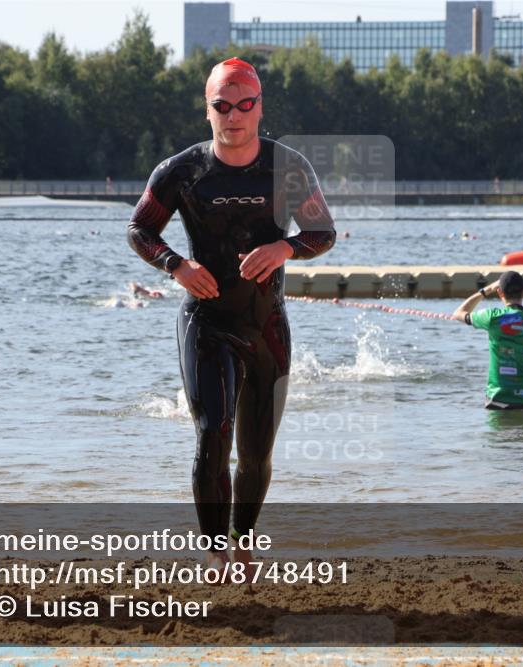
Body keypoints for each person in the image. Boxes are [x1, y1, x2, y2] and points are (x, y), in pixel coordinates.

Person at [127, 57, 336, 573]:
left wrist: (286, 249)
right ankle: (216, 551)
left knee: (257, 451)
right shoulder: (183, 170)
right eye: (223, 106)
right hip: (206, 322)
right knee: (213, 432)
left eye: (245, 104)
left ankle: (243, 540)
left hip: (267, 324)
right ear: (209, 110)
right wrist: (176, 265)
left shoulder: (287, 167)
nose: (234, 115)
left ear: (259, 107)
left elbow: (322, 233)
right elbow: (139, 230)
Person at [452, 270, 523, 410]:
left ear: (500, 292)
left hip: (498, 399)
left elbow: (458, 313)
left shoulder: (492, 317)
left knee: (500, 432)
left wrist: (486, 290)